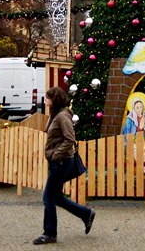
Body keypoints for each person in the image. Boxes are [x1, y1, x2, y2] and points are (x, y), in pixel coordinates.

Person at [33, 86, 95, 245]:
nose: (45, 99)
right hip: (57, 161)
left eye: (48, 97)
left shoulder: (62, 116)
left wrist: (56, 154)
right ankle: (86, 214)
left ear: (55, 99)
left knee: (48, 197)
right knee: (57, 197)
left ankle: (50, 233)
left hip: (61, 162)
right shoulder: (54, 114)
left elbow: (70, 139)